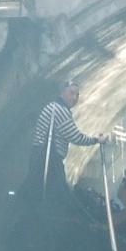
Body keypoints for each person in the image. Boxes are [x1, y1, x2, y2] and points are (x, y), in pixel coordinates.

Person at [32, 80, 102, 214]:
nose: (75, 98)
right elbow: (76, 137)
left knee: (45, 194)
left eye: (77, 95)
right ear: (62, 92)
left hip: (42, 157)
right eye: (71, 93)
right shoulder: (59, 110)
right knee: (59, 197)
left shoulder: (53, 107)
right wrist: (96, 140)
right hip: (47, 160)